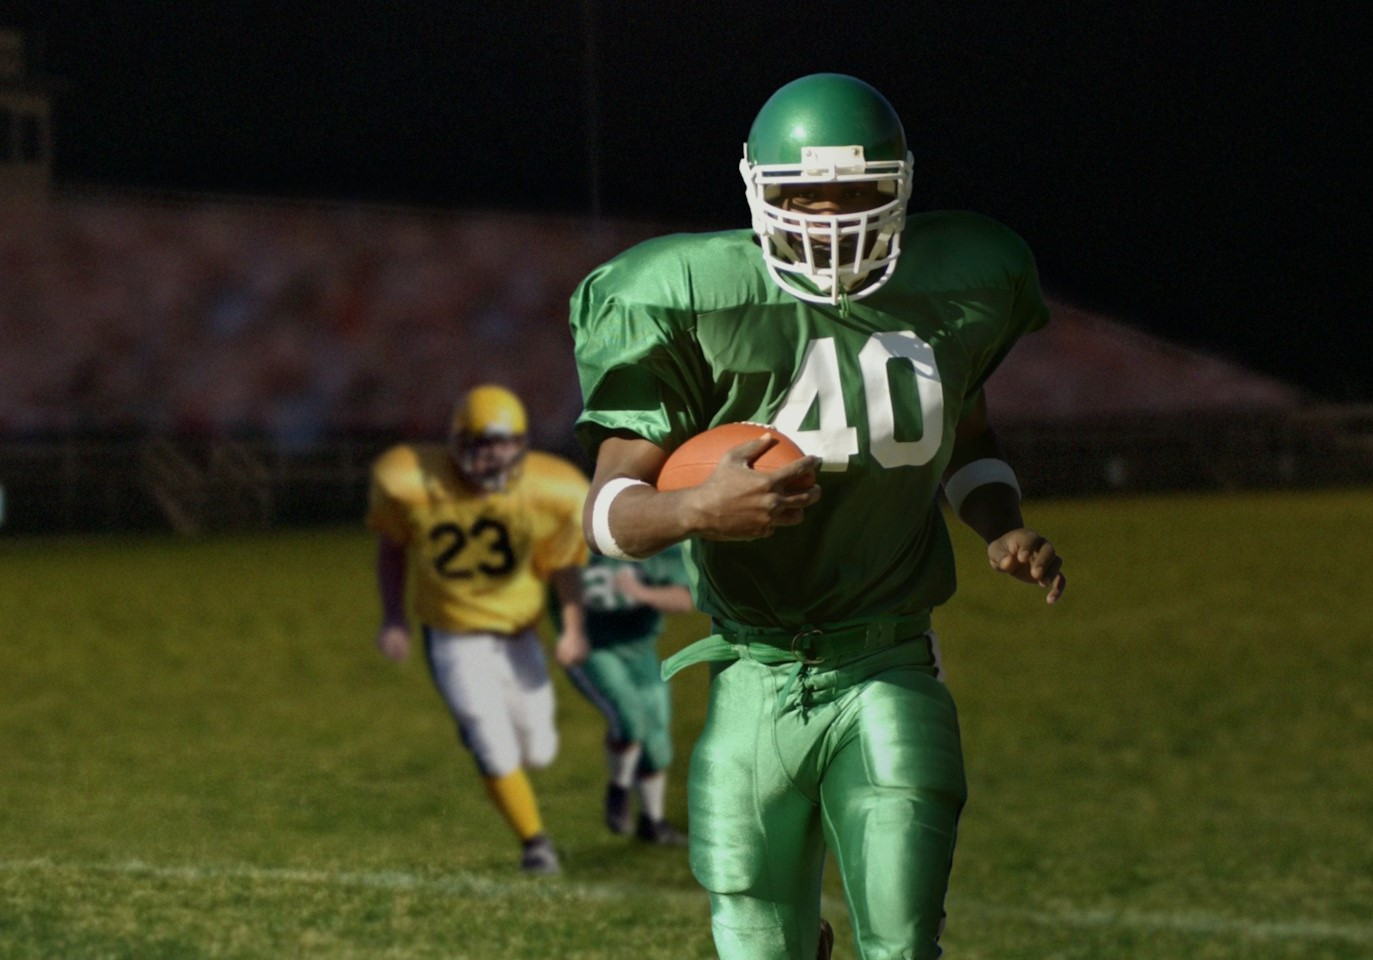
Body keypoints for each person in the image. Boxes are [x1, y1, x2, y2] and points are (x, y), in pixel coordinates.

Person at [567, 73, 1067, 959]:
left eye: (860, 192)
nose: (831, 217)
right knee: (758, 938)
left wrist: (1002, 524)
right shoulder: (684, 296)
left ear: (902, 190)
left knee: (903, 938)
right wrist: (696, 509)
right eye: (804, 194)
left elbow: (965, 431)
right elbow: (606, 514)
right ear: (759, 189)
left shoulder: (958, 285)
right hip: (754, 669)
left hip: (886, 658)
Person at [367, 383, 592, 875]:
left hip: (519, 635)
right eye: (478, 443)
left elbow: (563, 566)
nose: (489, 457)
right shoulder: (411, 478)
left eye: (501, 444)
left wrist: (572, 628)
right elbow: (392, 546)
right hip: (453, 634)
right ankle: (535, 844)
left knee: (540, 750)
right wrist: (393, 617)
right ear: (456, 442)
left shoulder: (552, 490)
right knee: (494, 740)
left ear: (521, 445)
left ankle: (488, 739)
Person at [551, 543, 692, 846]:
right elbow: (552, 575)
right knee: (629, 718)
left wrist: (643, 594)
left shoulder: (659, 541)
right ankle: (619, 790)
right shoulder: (570, 527)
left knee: (656, 742)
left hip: (641, 649)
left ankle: (652, 823)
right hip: (594, 645)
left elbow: (686, 596)